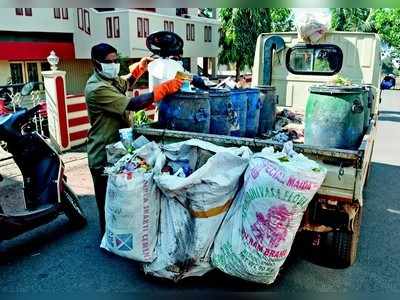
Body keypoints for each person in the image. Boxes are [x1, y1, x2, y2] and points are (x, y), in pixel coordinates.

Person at [85, 43, 183, 235]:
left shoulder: (110, 80)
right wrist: (163, 89)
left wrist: (141, 67)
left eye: (116, 61)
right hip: (102, 153)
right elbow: (134, 103)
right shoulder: (97, 88)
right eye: (108, 62)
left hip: (118, 148)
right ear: (95, 63)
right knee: (108, 205)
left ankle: (123, 238)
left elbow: (126, 83)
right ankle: (110, 242)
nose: (113, 65)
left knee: (121, 202)